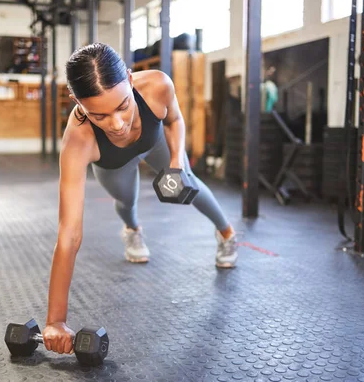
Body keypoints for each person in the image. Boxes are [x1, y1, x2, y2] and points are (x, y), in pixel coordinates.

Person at [41, 43, 238, 354]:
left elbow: (174, 121)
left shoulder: (158, 85)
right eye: (99, 115)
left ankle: (227, 234)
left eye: (122, 106)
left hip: (155, 142)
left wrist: (176, 162)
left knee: (192, 185)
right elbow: (69, 234)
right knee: (126, 201)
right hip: (112, 163)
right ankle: (132, 231)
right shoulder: (78, 141)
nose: (116, 125)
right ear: (77, 102)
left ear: (130, 81)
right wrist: (55, 320)